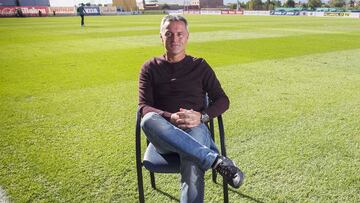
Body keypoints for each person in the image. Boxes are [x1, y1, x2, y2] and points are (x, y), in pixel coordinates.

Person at [139, 15, 244, 203]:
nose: (174, 39)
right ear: (161, 37)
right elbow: (144, 107)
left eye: (180, 34)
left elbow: (222, 100)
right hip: (164, 135)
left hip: (196, 128)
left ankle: (207, 158)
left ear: (187, 36)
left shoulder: (200, 66)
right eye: (169, 34)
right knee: (147, 120)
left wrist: (202, 117)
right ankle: (215, 161)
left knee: (192, 158)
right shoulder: (149, 67)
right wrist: (170, 117)